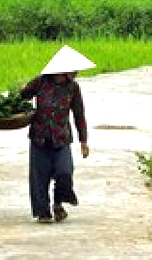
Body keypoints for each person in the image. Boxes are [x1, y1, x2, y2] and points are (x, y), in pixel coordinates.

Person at [18, 45, 93, 223]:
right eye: (72, 69)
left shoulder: (73, 88)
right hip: (39, 137)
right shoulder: (41, 82)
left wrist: (84, 141)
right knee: (39, 177)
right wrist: (21, 91)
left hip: (61, 138)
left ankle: (58, 203)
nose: (75, 72)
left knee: (65, 172)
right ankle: (43, 212)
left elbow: (79, 115)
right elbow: (23, 96)